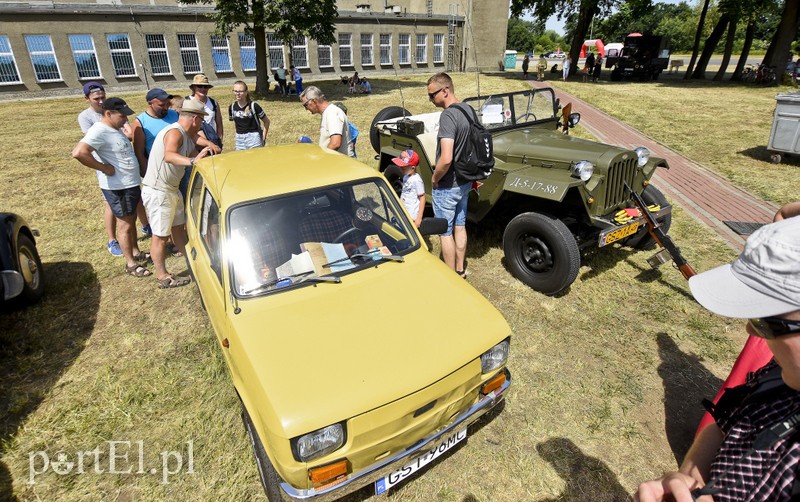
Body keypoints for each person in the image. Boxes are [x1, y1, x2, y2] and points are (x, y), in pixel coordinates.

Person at [635, 216, 800, 502]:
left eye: (767, 321)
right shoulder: (783, 374)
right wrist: (689, 480)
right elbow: (729, 424)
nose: (751, 330)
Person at [72, 97, 151, 278]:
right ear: (108, 113)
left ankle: (136, 252)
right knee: (125, 225)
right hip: (119, 187)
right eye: (122, 116)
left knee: (131, 222)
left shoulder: (113, 128)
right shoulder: (99, 130)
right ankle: (131, 264)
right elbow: (78, 152)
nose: (125, 120)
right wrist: (104, 168)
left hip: (129, 184)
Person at [141, 99, 214, 289]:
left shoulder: (185, 134)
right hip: (159, 191)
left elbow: (194, 149)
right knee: (160, 236)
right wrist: (193, 160)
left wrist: (208, 151)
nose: (200, 126)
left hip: (172, 189)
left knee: (179, 230)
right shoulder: (174, 132)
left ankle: (194, 263)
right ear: (195, 119)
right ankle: (163, 276)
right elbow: (169, 155)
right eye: (201, 122)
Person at [426, 72, 471, 277]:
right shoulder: (468, 110)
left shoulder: (448, 116)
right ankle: (460, 269)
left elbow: (446, 158)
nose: (431, 99)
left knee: (445, 231)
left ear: (445, 91)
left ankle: (451, 277)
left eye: (432, 95)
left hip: (448, 184)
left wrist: (435, 179)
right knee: (460, 226)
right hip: (465, 181)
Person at [78, 82, 122, 256]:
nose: (101, 101)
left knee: (135, 197)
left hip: (121, 161)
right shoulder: (85, 117)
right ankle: (112, 240)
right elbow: (91, 142)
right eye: (97, 98)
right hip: (105, 165)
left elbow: (127, 132)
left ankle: (145, 226)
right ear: (87, 99)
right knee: (110, 203)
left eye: (103, 97)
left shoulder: (110, 110)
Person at [299, 86, 350, 156]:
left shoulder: (332, 113)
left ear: (314, 101)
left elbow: (335, 143)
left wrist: (321, 157)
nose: (306, 109)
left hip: (341, 164)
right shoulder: (328, 113)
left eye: (305, 105)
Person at [228, 80, 270, 150]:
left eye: (240, 91)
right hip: (239, 139)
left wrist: (263, 137)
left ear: (246, 92)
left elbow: (267, 121)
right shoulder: (232, 107)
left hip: (254, 138)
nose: (238, 93)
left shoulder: (254, 106)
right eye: (235, 91)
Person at [186, 73, 223, 147]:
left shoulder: (213, 103)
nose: (203, 89)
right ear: (194, 87)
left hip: (212, 143)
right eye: (200, 86)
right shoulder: (186, 102)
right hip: (193, 145)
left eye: (205, 87)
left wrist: (219, 141)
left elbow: (219, 123)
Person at [394, 150, 425, 228]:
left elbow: (422, 197)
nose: (401, 169)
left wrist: (419, 218)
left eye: (403, 168)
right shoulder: (406, 176)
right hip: (405, 209)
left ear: (412, 168)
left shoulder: (417, 180)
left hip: (412, 213)